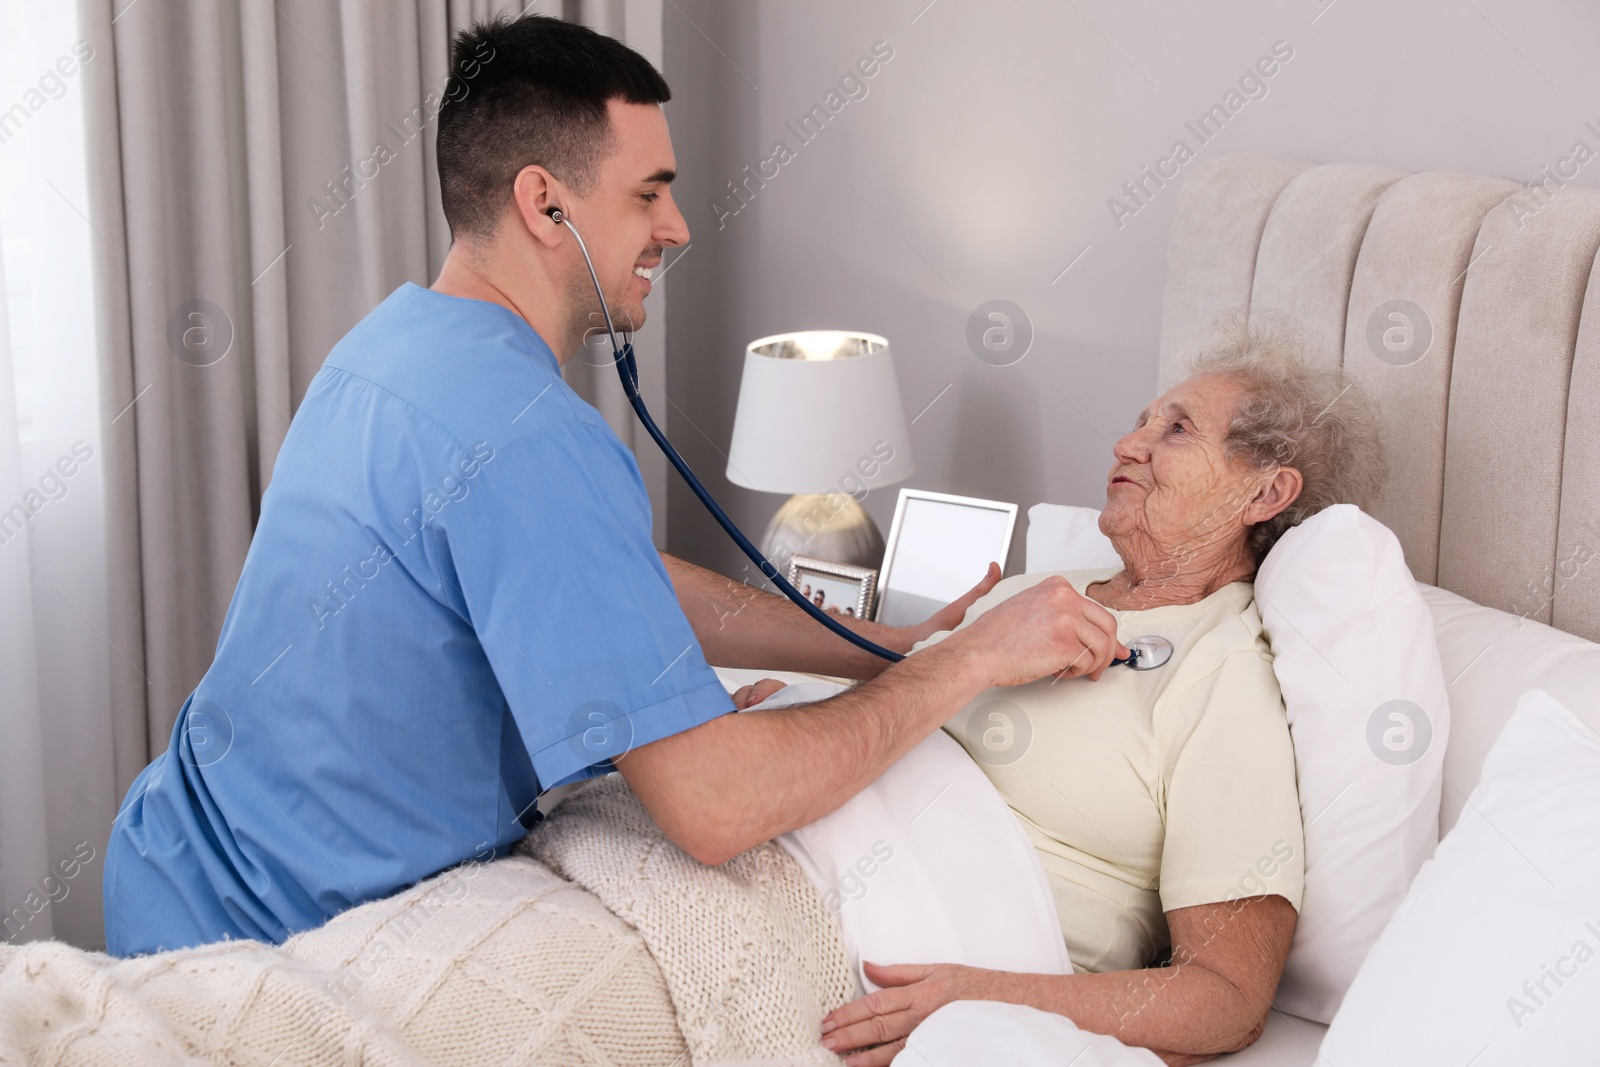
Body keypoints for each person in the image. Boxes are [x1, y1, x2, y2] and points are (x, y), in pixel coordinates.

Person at [102, 14, 1128, 957]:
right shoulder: (527, 434)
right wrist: (957, 668)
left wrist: (873, 645)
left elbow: (602, 569)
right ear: (545, 202)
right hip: (277, 947)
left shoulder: (397, 343)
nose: (677, 226)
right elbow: (715, 807)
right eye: (649, 191)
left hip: (171, 861)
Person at [804, 323, 1386, 1065]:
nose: (1127, 444)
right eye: (1141, 420)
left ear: (1265, 491)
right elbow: (892, 709)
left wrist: (981, 999)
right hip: (798, 852)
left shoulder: (1221, 671)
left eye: (1175, 428)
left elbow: (1226, 999)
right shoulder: (1031, 594)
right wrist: (795, 703)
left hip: (889, 952)